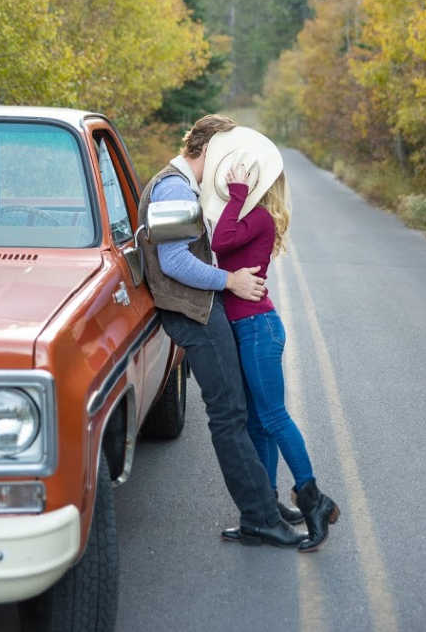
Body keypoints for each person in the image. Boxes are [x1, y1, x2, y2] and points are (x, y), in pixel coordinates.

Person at [137, 114, 303, 548]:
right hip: (194, 313)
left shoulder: (182, 187)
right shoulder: (173, 186)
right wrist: (230, 282)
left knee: (236, 412)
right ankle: (258, 517)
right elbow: (174, 262)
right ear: (208, 150)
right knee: (229, 416)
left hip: (199, 309)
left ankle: (262, 508)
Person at [200, 125, 340, 552]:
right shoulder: (245, 215)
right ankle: (263, 509)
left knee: (274, 417)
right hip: (248, 328)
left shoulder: (255, 216)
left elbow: (221, 241)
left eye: (245, 179)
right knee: (258, 424)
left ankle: (314, 498)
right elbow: (216, 239)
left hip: (258, 329)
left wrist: (238, 193)